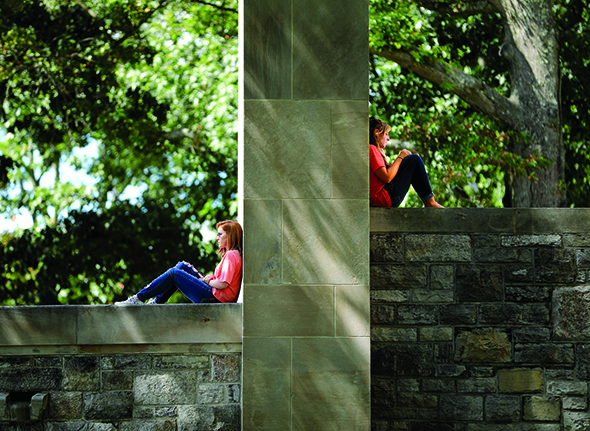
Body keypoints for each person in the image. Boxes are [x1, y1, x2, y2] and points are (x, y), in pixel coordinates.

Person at [115, 220, 243, 305]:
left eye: (220, 234)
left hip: (215, 298)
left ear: (230, 235)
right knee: (182, 265)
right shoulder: (232, 254)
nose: (217, 238)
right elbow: (222, 281)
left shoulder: (231, 255)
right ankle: (157, 302)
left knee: (174, 273)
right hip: (215, 294)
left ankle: (138, 299)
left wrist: (207, 281)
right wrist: (211, 278)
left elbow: (222, 284)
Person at [369, 117, 444, 208]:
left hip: (383, 198)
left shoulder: (374, 150)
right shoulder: (371, 148)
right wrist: (400, 157)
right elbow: (387, 177)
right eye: (386, 134)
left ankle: (430, 202)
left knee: (411, 162)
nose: (388, 139)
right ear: (376, 132)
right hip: (382, 199)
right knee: (414, 160)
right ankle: (430, 202)